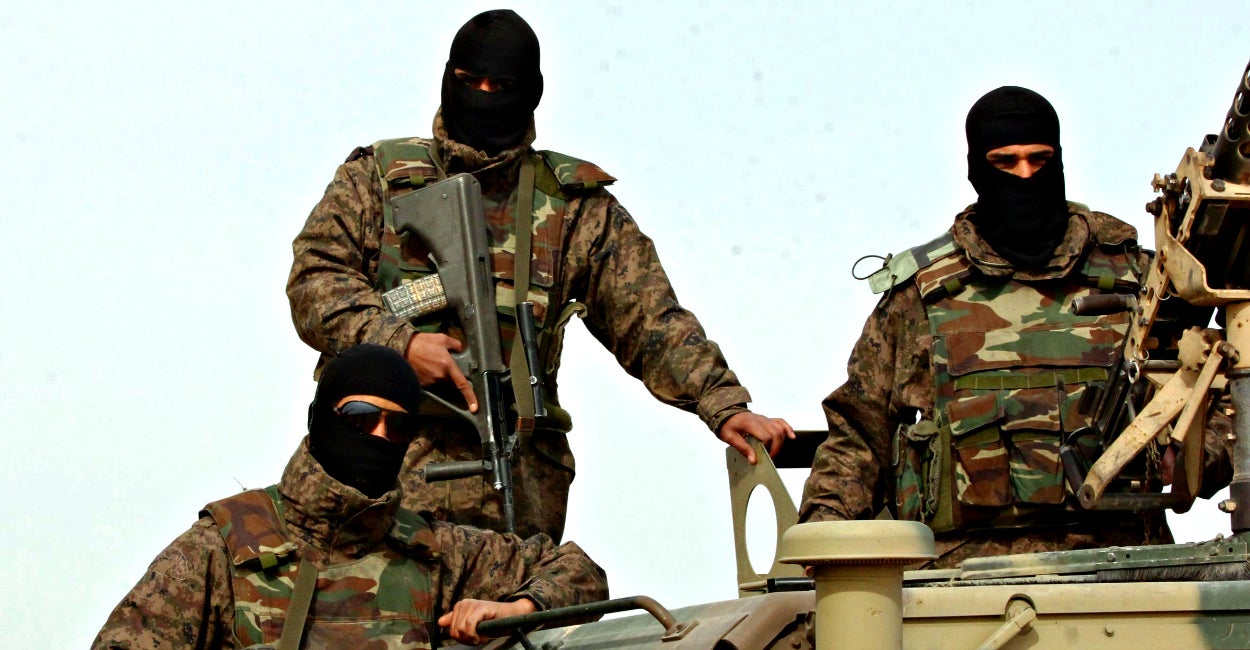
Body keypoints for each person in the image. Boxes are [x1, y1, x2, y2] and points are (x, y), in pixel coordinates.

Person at [286, 9, 794, 541]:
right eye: (468, 81)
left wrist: (722, 404)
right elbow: (315, 279)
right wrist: (401, 344)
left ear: (531, 92)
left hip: (512, 489)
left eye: (501, 86)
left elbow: (651, 321)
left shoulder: (573, 207)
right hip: (379, 474)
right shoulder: (376, 180)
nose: (483, 96)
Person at [798, 86, 1232, 568]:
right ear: (976, 169)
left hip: (1125, 568)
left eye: (1039, 159)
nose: (1025, 175)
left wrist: (1197, 456)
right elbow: (860, 434)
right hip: (961, 581)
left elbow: (1221, 390)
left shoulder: (1142, 283)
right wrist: (822, 539)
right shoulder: (922, 296)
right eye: (1005, 162)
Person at [92, 345, 608, 649]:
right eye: (361, 417)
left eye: (398, 427)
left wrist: (519, 605)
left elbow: (581, 574)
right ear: (321, 420)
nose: (379, 435)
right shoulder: (226, 546)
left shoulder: (431, 551)